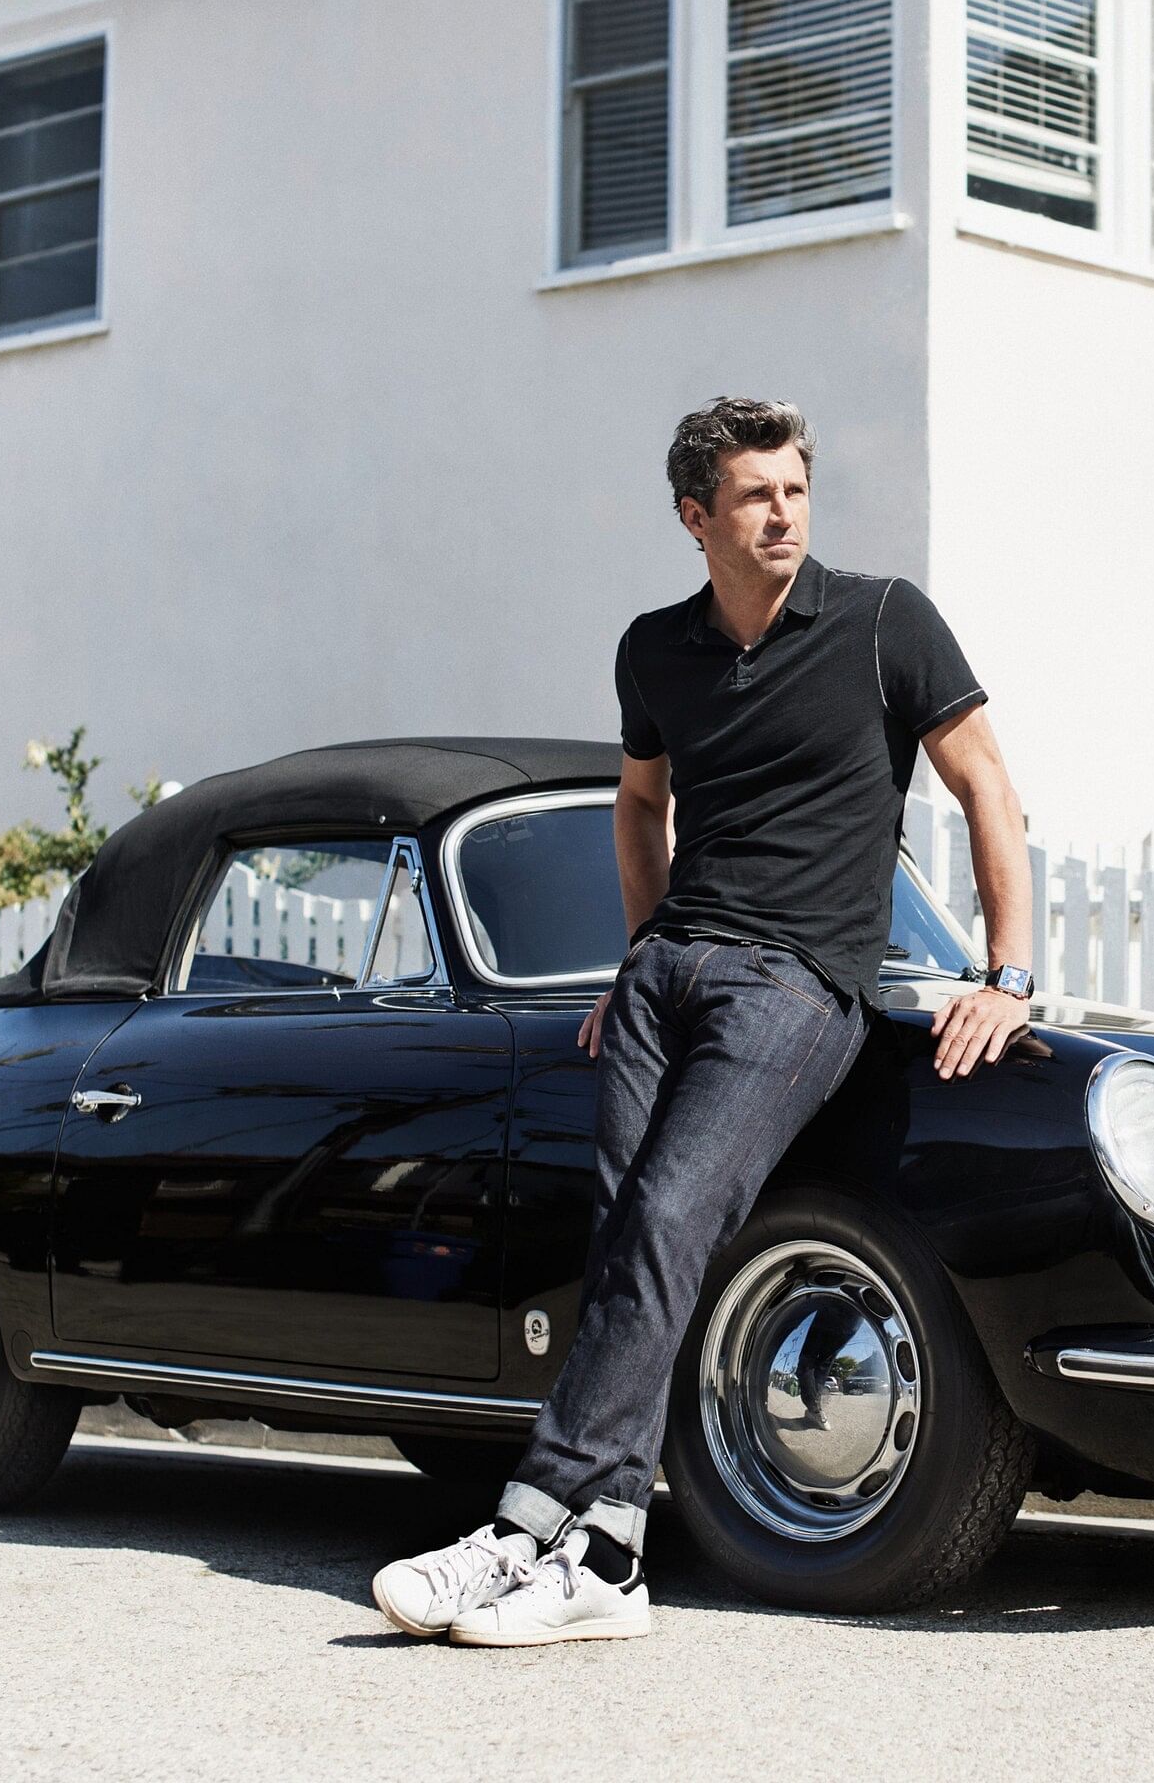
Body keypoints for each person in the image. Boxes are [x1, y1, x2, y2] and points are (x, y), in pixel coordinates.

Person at [371, 397, 1035, 1647]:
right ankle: (610, 1561)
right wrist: (635, 957)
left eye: (795, 489)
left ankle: (525, 1524)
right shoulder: (654, 650)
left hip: (797, 984)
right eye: (755, 496)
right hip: (667, 976)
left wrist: (1008, 973)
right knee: (630, 1234)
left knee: (675, 1214)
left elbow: (984, 780)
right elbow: (638, 804)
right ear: (697, 517)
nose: (783, 512)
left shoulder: (887, 621)